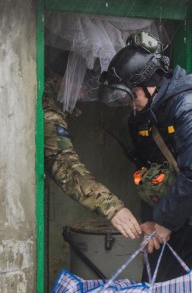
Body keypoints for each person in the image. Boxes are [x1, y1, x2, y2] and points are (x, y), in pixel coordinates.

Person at [99, 33, 192, 281]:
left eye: (132, 94)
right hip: (185, 212)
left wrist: (164, 222)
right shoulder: (144, 115)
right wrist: (150, 221)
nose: (129, 103)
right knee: (159, 285)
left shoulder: (190, 108)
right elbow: (149, 173)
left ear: (151, 85)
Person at [44, 52, 141, 239]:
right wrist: (112, 207)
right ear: (60, 78)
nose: (83, 92)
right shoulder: (49, 115)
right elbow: (66, 167)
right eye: (79, 82)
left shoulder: (55, 105)